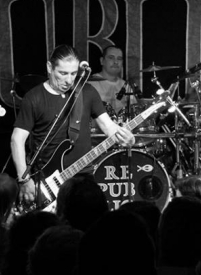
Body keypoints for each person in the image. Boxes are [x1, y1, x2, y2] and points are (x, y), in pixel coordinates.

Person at [11, 44, 135, 206]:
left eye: (73, 73)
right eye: (62, 73)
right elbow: (17, 140)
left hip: (83, 175)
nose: (69, 80)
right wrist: (24, 179)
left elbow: (109, 127)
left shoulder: (87, 92)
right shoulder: (34, 97)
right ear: (49, 67)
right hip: (47, 179)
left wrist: (128, 139)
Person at [86, 45, 137, 114]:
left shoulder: (125, 86)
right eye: (111, 58)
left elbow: (133, 110)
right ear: (102, 61)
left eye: (119, 59)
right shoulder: (91, 84)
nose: (116, 62)